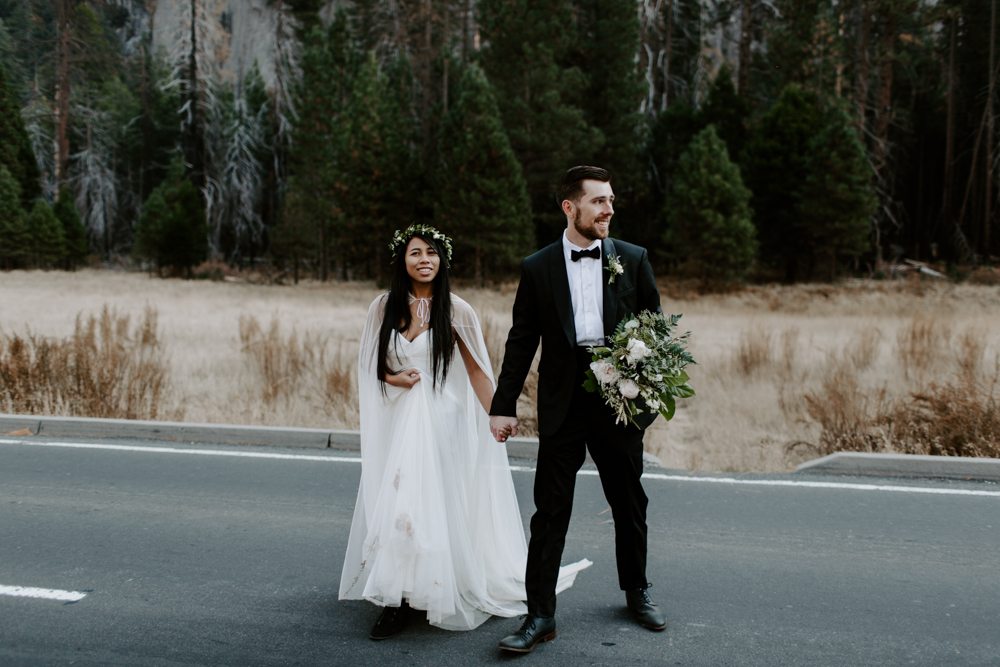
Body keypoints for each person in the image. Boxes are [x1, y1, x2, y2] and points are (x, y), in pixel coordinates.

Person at [339, 224, 588, 639]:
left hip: (441, 421)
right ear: (402, 260)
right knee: (401, 504)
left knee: (431, 503)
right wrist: (394, 378)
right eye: (416, 252)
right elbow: (369, 363)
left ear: (443, 260)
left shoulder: (457, 310)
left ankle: (431, 587)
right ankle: (396, 597)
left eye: (432, 253)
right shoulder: (382, 307)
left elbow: (476, 370)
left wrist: (499, 412)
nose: (424, 260)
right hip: (400, 421)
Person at [489, 166, 667, 653]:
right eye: (599, 202)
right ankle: (540, 615)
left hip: (618, 403)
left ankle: (637, 590)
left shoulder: (633, 259)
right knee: (549, 513)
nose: (609, 209)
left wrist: (644, 406)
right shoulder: (538, 266)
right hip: (563, 402)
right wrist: (503, 406)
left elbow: (655, 336)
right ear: (570, 207)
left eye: (611, 200)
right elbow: (522, 339)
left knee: (629, 503)